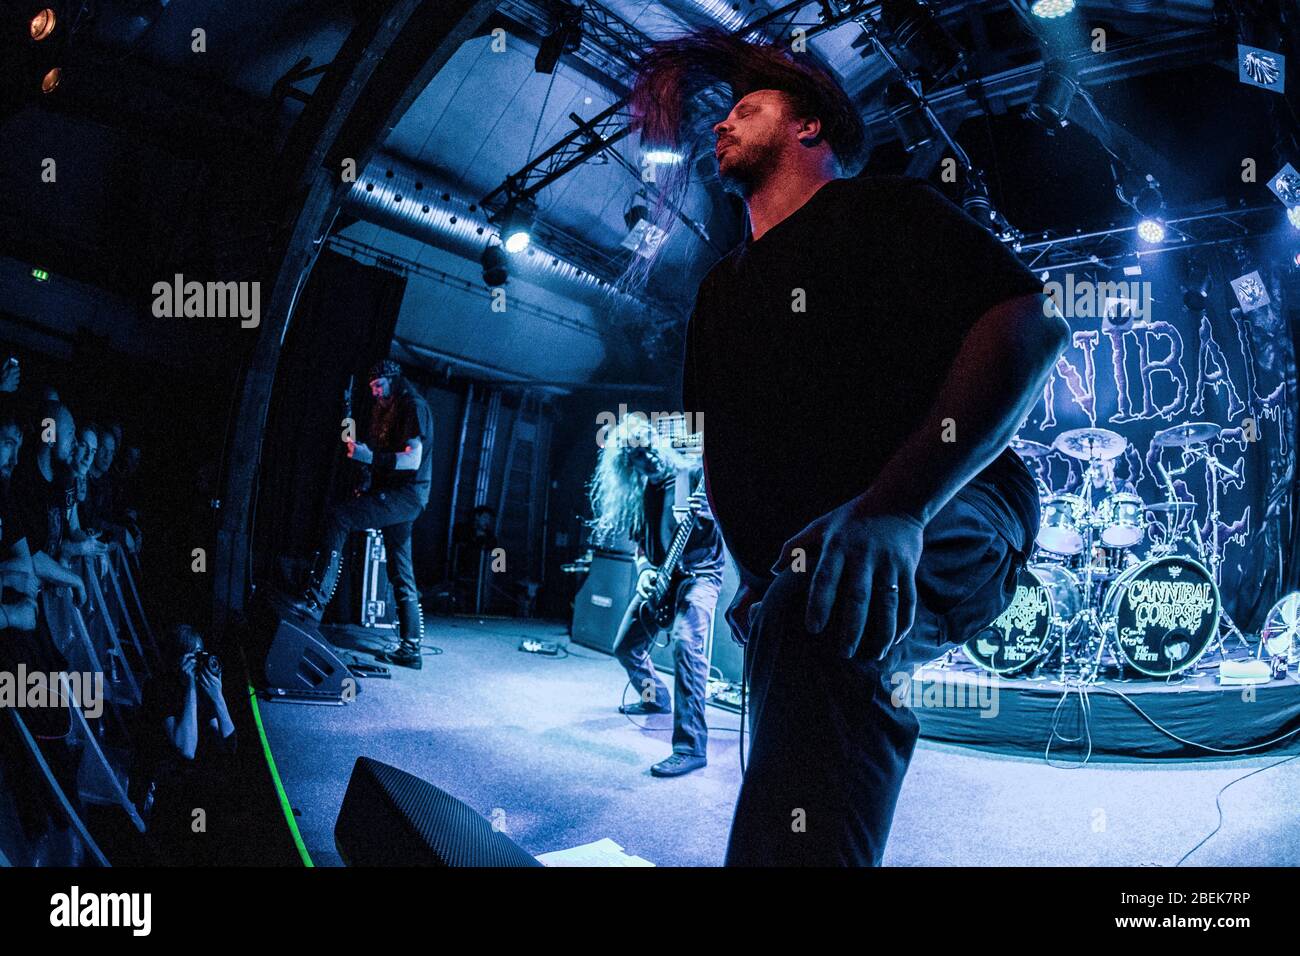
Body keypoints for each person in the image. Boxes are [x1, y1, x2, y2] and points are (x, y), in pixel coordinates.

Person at [631, 30, 1069, 863]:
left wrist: (896, 507)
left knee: (822, 604)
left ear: (810, 129)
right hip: (812, 545)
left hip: (954, 506)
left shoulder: (881, 211)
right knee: (800, 633)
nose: (722, 124)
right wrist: (754, 574)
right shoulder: (720, 291)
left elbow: (1031, 321)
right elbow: (720, 448)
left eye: (748, 109)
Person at [588, 413, 724, 777]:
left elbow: (724, 527)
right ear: (628, 464)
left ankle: (690, 747)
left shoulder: (690, 476)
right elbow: (640, 547)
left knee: (685, 644)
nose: (650, 457)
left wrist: (712, 515)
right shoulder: (639, 494)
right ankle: (655, 698)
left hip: (700, 576)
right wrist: (646, 572)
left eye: (650, 448)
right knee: (624, 646)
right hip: (662, 579)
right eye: (639, 455)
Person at [291, 359, 435, 669]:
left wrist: (371, 457)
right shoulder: (386, 409)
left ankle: (314, 603)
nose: (375, 394)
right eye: (371, 389)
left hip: (406, 496)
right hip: (398, 496)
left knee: (340, 518)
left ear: (394, 380)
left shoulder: (413, 405)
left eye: (379, 386)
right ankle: (411, 648)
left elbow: (412, 461)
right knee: (400, 569)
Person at [132, 624, 237, 864]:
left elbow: (230, 745)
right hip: (169, 782)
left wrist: (218, 696)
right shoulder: (158, 687)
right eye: (192, 656)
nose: (198, 662)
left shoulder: (204, 688)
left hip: (198, 782)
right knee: (194, 831)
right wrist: (189, 688)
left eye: (201, 654)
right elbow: (185, 749)